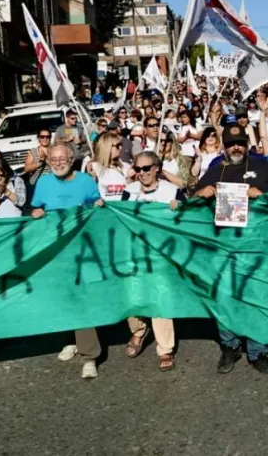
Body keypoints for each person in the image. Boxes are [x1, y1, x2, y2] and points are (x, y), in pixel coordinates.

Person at [193, 125, 268, 376]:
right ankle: (230, 347)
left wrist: (262, 195)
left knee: (256, 298)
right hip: (224, 245)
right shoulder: (215, 170)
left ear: (247, 144)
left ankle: (257, 351)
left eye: (240, 142)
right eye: (231, 144)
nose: (236, 148)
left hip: (256, 246)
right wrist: (202, 192)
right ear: (224, 146)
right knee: (225, 298)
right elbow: (192, 202)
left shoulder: (263, 167)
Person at [30, 143, 105, 379]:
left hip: (82, 250)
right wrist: (36, 213)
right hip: (55, 252)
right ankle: (69, 340)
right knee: (61, 298)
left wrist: (99, 205)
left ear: (71, 159)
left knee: (82, 300)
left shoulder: (85, 181)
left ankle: (89, 355)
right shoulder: (43, 183)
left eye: (62, 159)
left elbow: (97, 204)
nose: (58, 163)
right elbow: (34, 209)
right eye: (53, 159)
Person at [122, 151, 182, 371]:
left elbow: (187, 221)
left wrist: (179, 209)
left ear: (157, 168)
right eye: (138, 169)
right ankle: (138, 331)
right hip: (135, 254)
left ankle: (165, 349)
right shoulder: (128, 193)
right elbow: (117, 218)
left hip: (161, 255)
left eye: (146, 168)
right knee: (132, 297)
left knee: (159, 298)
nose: (142, 173)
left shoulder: (171, 191)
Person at [86, 132, 131, 201]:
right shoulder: (94, 167)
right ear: (107, 147)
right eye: (118, 145)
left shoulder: (123, 167)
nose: (121, 147)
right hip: (104, 209)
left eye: (121, 144)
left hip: (122, 208)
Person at [24, 128, 53, 192]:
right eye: (42, 137)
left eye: (47, 137)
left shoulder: (55, 151)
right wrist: (39, 164)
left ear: (50, 138)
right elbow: (26, 169)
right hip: (36, 184)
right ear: (38, 138)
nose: (45, 139)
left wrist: (46, 160)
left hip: (52, 184)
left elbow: (58, 168)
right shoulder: (33, 151)